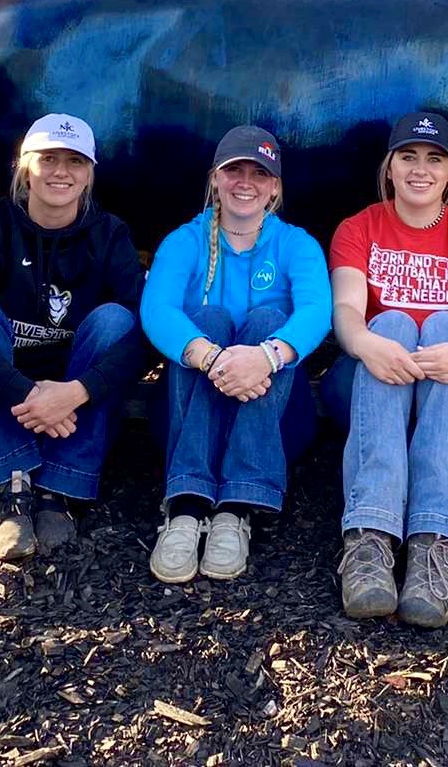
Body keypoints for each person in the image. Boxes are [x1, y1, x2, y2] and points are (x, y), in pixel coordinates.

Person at [0, 113, 147, 560]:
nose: (61, 171)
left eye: (75, 161)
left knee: (117, 321)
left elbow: (148, 333)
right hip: (0, 408)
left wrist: (77, 392)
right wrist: (26, 394)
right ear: (25, 167)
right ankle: (11, 488)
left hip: (74, 411)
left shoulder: (110, 235)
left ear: (90, 174)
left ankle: (59, 489)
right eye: (49, 159)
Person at [326, 112, 448, 628]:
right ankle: (370, 541)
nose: (420, 170)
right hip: (371, 386)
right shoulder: (358, 227)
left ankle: (433, 545)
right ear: (389, 167)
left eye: (434, 160)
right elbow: (345, 312)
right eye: (408, 157)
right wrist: (368, 343)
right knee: (395, 325)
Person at [139, 127, 330, 583]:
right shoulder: (184, 241)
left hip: (274, 419)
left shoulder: (296, 244)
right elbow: (156, 308)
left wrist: (264, 357)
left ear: (275, 187)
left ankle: (236, 507)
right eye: (234, 171)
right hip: (188, 417)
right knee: (206, 320)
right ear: (215, 179)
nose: (246, 183)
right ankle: (186, 506)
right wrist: (212, 358)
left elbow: (318, 312)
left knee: (268, 321)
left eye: (259, 173)